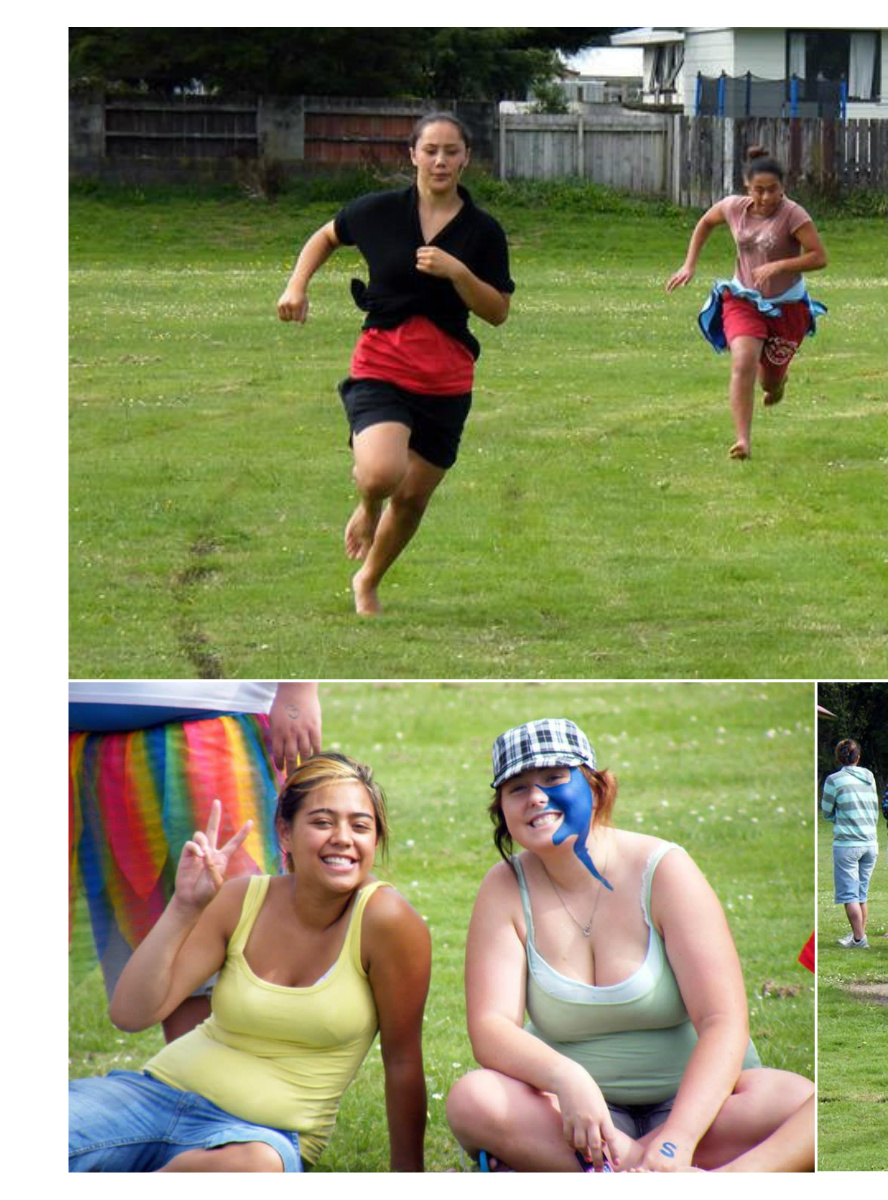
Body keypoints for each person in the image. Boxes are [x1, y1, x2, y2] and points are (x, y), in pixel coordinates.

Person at [446, 718, 814, 1172]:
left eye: (554, 778)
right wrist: (567, 1078)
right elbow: (491, 1027)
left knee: (802, 1102)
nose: (536, 797)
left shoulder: (664, 869)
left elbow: (723, 1021)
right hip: (577, 1118)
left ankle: (666, 1174)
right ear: (501, 808)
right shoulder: (504, 887)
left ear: (596, 787)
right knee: (474, 1098)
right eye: (517, 788)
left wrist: (675, 1142)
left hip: (701, 1112)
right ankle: (657, 1176)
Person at [69, 752, 431, 1172]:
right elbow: (131, 1014)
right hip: (153, 1096)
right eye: (322, 822)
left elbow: (403, 1062)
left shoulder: (386, 920)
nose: (343, 838)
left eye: (360, 826)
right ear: (285, 832)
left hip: (256, 1138)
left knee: (252, 1168)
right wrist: (184, 908)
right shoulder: (241, 899)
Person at [277, 112, 514, 616]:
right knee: (382, 474)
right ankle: (367, 506)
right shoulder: (379, 211)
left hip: (447, 380)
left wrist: (458, 273)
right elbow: (325, 236)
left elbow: (497, 312)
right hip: (382, 364)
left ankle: (367, 580)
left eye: (451, 151)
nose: (440, 160)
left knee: (411, 499)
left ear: (466, 158)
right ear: (413, 155)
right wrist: (296, 286)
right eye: (430, 150)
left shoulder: (483, 232)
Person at [69, 681, 322, 1041]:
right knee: (162, 941)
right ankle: (195, 1069)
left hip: (210, 738)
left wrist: (298, 690)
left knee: (238, 930)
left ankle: (254, 1065)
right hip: (94, 754)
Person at [666, 145, 828, 459]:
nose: (766, 197)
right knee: (743, 361)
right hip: (743, 299)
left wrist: (779, 266)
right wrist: (689, 264)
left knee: (769, 382)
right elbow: (706, 222)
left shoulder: (793, 215)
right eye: (759, 190)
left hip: (786, 306)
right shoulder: (734, 207)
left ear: (783, 187)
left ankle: (777, 384)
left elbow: (819, 257)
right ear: (747, 186)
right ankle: (743, 441)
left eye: (773, 190)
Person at [821, 737, 879, 949]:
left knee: (849, 895)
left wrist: (839, 817)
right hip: (870, 843)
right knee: (861, 894)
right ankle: (858, 934)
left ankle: (859, 939)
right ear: (858, 757)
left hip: (847, 845)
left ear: (838, 757)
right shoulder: (869, 776)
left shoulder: (834, 780)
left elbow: (826, 811)